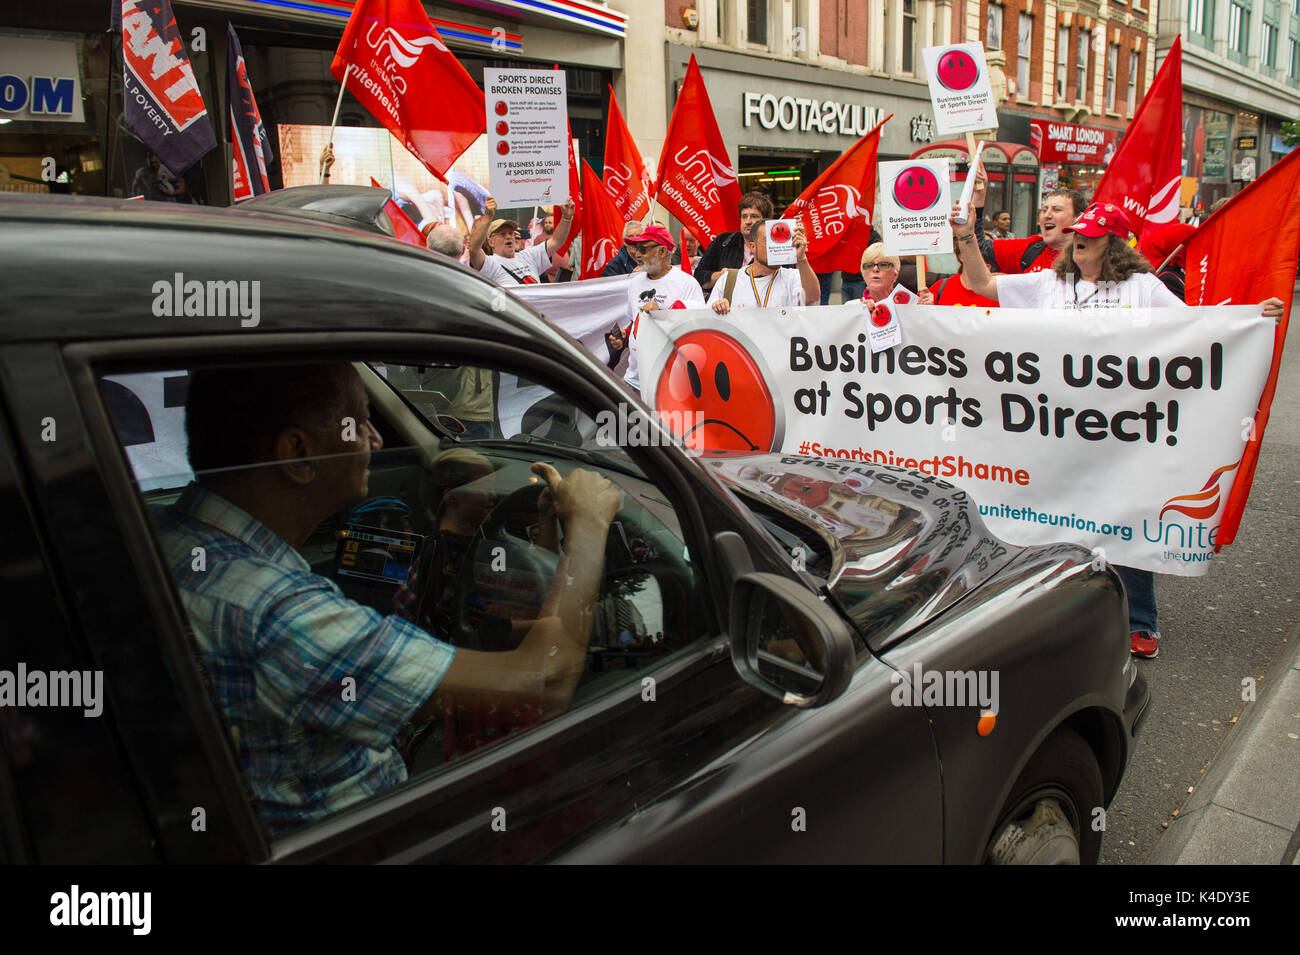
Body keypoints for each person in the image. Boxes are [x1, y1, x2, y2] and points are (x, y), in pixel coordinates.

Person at [156, 362, 620, 832]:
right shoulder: (281, 612)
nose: (376, 441)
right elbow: (546, 684)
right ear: (297, 453)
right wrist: (587, 525)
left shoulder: (168, 544)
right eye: (359, 423)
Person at [951, 201, 1283, 659]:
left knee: (1122, 514)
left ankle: (1139, 620)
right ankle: (1055, 612)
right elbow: (983, 284)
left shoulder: (1143, 288)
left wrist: (1250, 317)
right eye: (1077, 232)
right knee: (1053, 514)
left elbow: (1196, 329)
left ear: (1115, 242)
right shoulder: (1051, 283)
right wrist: (968, 236)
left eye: (1090, 233)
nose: (1079, 239)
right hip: (1054, 426)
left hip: (1121, 430)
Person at [619, 225, 706, 390]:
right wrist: (623, 337)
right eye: (637, 249)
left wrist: (662, 315)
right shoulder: (635, 282)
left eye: (643, 250)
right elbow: (634, 322)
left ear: (662, 252)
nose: (637, 254)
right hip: (634, 381)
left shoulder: (687, 284)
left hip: (670, 385)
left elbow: (697, 333)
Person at [708, 221, 818, 313]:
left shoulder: (792, 277)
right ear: (752, 247)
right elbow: (708, 319)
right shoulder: (729, 279)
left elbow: (812, 297)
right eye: (768, 241)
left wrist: (801, 258)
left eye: (779, 239)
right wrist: (717, 307)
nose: (775, 246)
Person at [468, 196, 575, 285]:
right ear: (491, 242)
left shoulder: (529, 256)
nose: (509, 236)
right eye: (502, 234)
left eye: (511, 233)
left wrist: (566, 218)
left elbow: (556, 241)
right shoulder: (490, 264)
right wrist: (488, 216)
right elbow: (473, 249)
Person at [693, 192, 774, 293]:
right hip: (725, 306)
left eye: (754, 216)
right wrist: (722, 276)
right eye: (744, 216)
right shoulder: (723, 241)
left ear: (766, 220)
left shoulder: (775, 246)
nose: (748, 221)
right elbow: (698, 277)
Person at [858, 243, 918, 308]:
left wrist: (927, 309)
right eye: (869, 265)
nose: (875, 269)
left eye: (883, 265)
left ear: (895, 274)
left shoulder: (911, 305)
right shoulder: (852, 308)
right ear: (863, 274)